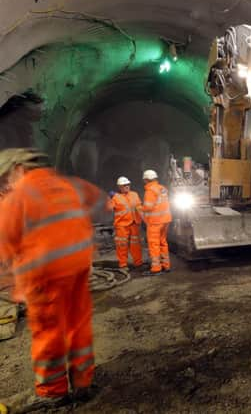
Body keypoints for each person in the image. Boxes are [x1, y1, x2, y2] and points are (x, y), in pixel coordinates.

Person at [0, 148, 104, 413]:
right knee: (78, 326)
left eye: (8, 176)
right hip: (78, 267)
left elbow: (3, 240)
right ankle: (82, 383)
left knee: (49, 333)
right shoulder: (69, 185)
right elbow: (100, 201)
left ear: (20, 169)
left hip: (44, 275)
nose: (8, 182)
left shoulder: (20, 195)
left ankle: (52, 392)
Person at [107, 176, 143, 272]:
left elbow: (140, 207)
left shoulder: (135, 194)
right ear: (119, 187)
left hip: (134, 223)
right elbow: (108, 208)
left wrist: (145, 218)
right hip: (122, 225)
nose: (126, 186)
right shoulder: (115, 197)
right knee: (122, 245)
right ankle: (123, 265)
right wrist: (109, 200)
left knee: (136, 245)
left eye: (127, 184)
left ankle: (138, 263)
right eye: (124, 185)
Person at [140, 170, 172, 275]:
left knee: (154, 244)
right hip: (166, 220)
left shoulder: (150, 191)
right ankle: (166, 266)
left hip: (155, 222)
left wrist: (140, 208)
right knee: (163, 242)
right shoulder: (163, 189)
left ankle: (156, 268)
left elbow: (148, 207)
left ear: (146, 180)